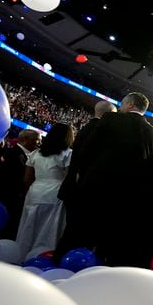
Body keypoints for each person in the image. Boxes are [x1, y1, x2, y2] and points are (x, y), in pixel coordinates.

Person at [76, 92, 153, 267]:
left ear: (130, 104)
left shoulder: (110, 119)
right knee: (116, 240)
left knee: (89, 236)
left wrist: (82, 175)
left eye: (123, 104)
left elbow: (88, 150)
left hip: (98, 189)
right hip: (132, 198)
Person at [55, 100, 116, 261]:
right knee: (80, 234)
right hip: (86, 191)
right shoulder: (101, 132)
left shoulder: (85, 129)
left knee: (72, 231)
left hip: (74, 188)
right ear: (109, 115)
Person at [15, 123, 73, 258]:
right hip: (55, 193)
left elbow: (27, 178)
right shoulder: (68, 154)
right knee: (50, 230)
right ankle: (44, 256)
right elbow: (68, 178)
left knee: (28, 226)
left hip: (35, 192)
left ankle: (22, 255)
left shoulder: (35, 153)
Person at [0, 129, 40, 240]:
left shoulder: (26, 156)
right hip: (7, 202)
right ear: (25, 140)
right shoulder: (12, 153)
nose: (40, 143)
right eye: (37, 140)